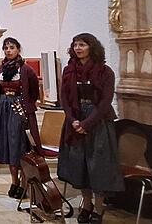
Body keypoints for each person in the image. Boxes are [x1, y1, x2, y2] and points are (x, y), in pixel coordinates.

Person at [57, 33, 124, 223]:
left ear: (91, 47)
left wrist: (86, 124)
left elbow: (105, 102)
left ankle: (99, 206)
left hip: (98, 122)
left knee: (98, 166)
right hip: (75, 120)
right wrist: (72, 121)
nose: (78, 48)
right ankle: (86, 204)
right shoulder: (69, 70)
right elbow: (65, 99)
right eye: (75, 44)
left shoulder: (105, 72)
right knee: (80, 166)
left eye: (82, 45)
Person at [0, 37, 41, 200]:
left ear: (18, 49)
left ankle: (25, 181)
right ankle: (14, 182)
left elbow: (33, 90)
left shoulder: (26, 70)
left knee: (19, 145)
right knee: (7, 145)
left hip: (19, 109)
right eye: (6, 48)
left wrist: (27, 106)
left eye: (12, 47)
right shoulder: (0, 69)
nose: (8, 51)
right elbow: (0, 90)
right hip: (4, 109)